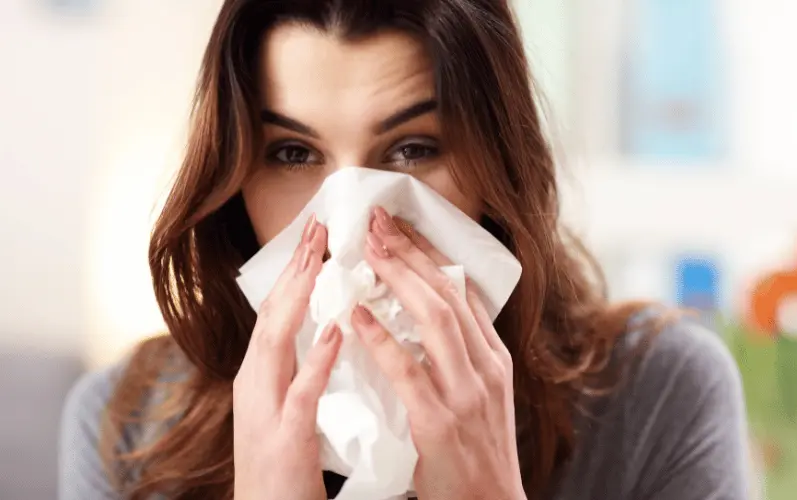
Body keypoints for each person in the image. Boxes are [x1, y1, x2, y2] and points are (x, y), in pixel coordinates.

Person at [58, 1, 750, 499]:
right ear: (234, 175)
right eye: (293, 152)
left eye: (412, 149)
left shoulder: (657, 396)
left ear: (495, 163)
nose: (354, 224)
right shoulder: (125, 431)